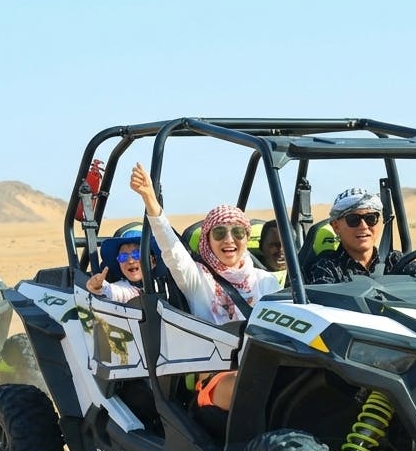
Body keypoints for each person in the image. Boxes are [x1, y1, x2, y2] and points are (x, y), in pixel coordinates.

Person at [128, 162, 281, 413]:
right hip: (216, 378)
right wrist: (150, 200)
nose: (229, 240)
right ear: (208, 240)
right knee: (252, 388)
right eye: (219, 233)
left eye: (238, 232)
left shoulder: (267, 281)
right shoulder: (197, 278)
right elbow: (172, 249)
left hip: (265, 370)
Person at [303, 187, 416, 284]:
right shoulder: (327, 267)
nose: (364, 226)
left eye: (371, 218)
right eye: (353, 220)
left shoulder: (394, 261)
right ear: (336, 227)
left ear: (380, 222)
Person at [85, 230, 152, 303]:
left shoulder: (163, 282)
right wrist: (95, 286)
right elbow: (108, 291)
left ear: (153, 260)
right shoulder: (123, 289)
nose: (130, 261)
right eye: (123, 257)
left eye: (137, 255)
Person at [256, 219, 288, 284]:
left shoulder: (304, 277)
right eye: (275, 245)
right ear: (261, 246)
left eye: (286, 245)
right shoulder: (250, 278)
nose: (281, 249)